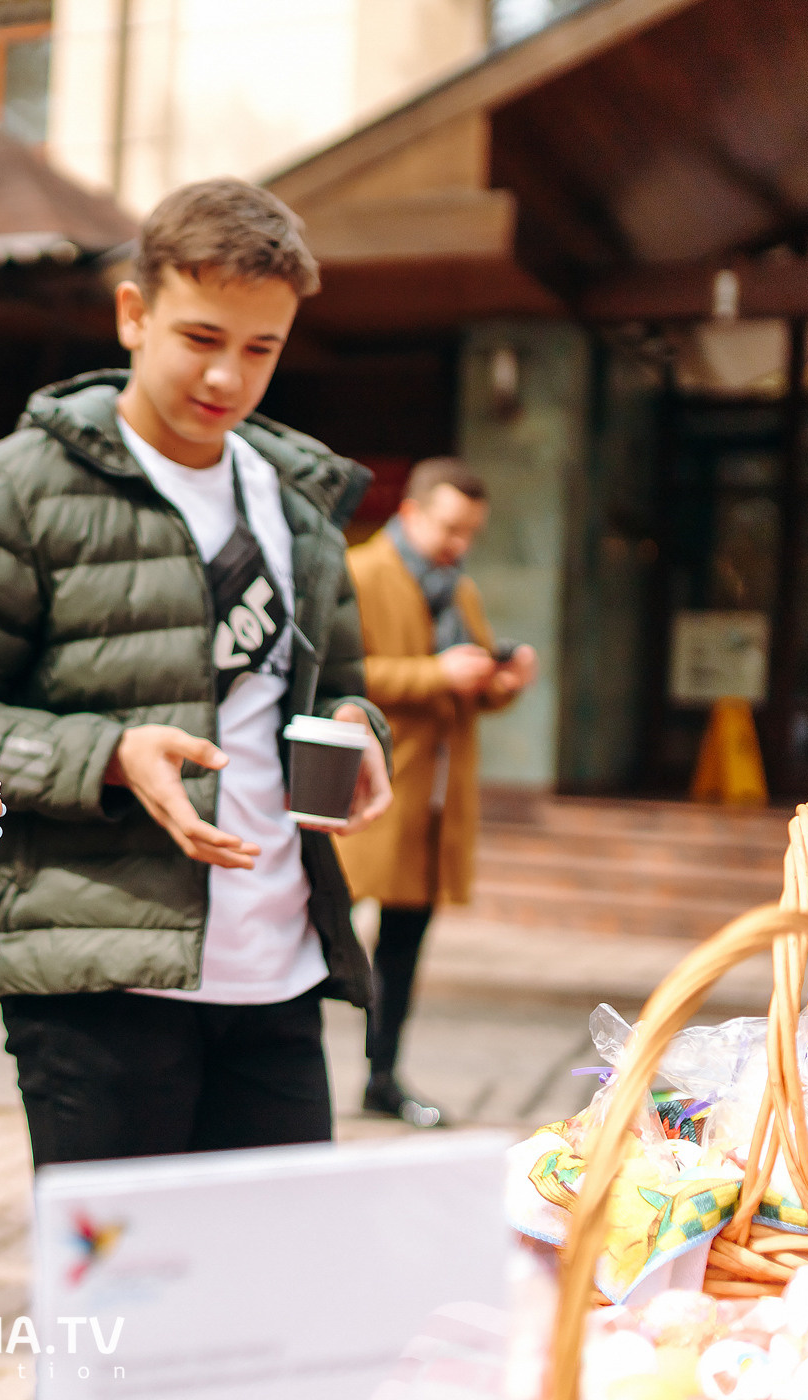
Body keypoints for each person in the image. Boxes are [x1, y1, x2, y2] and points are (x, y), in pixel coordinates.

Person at [0, 178, 393, 1168]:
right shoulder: (16, 487)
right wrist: (109, 754)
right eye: (201, 338)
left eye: (261, 349)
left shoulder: (301, 496)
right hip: (97, 987)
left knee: (278, 1310)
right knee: (121, 1318)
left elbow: (342, 685)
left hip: (280, 976)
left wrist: (363, 727)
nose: (227, 378)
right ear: (132, 313)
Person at [337, 457, 536, 1127]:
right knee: (316, 938)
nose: (460, 543)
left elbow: (468, 692)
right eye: (450, 527)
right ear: (411, 513)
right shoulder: (358, 574)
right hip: (364, 791)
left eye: (470, 531)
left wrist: (500, 683)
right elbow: (339, 675)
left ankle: (382, 1077)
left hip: (434, 802)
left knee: (402, 950)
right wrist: (434, 674)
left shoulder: (461, 590)